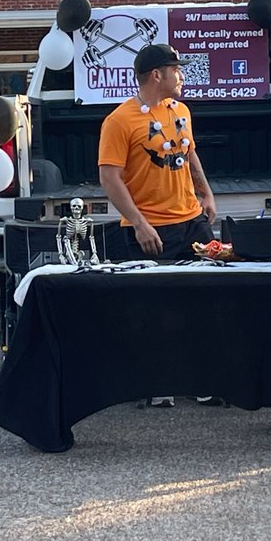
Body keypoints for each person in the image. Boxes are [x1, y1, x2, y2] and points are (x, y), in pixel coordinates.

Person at [98, 43, 218, 408]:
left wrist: (207, 194)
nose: (181, 76)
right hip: (151, 229)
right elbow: (109, 176)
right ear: (157, 75)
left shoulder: (180, 110)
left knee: (205, 300)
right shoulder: (120, 120)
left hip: (192, 222)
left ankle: (202, 378)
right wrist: (139, 223)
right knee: (154, 308)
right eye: (176, 70)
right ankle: (157, 380)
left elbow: (189, 151)